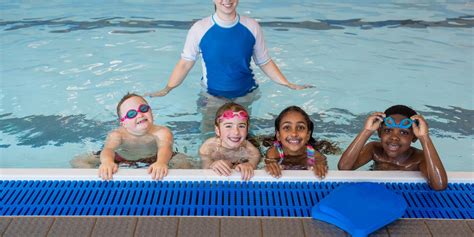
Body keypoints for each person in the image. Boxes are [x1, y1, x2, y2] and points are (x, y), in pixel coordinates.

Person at [145, 0, 312, 99]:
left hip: (246, 95)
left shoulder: (251, 26)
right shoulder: (200, 29)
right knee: (209, 140)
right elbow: (185, 63)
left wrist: (288, 84)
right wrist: (167, 89)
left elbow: (264, 61)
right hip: (212, 96)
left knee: (246, 142)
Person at [71, 93, 189, 180]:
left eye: (143, 109)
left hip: (155, 158)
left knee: (185, 162)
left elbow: (165, 147)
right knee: (78, 161)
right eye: (131, 114)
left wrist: (161, 162)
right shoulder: (117, 134)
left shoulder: (162, 131)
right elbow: (109, 149)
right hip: (122, 158)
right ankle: (101, 182)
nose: (140, 114)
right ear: (123, 123)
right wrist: (107, 162)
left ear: (151, 111)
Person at [337, 105, 448, 190]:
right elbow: (344, 168)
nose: (394, 138)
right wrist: (367, 131)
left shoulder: (420, 158)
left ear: (414, 137)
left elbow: (439, 185)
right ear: (379, 133)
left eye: (404, 133)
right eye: (388, 130)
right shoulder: (374, 149)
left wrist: (424, 138)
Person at [199, 102, 261, 180]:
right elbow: (204, 171)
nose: (236, 132)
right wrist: (212, 165)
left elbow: (253, 166)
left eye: (241, 126)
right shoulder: (208, 148)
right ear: (218, 130)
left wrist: (249, 165)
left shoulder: (252, 151)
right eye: (228, 126)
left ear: (247, 129)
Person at [265, 106, 328, 179]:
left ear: (308, 135)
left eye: (300, 127)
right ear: (278, 135)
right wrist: (271, 165)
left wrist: (320, 165)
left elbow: (321, 163)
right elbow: (270, 163)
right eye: (287, 127)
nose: (294, 133)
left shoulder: (312, 154)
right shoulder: (275, 152)